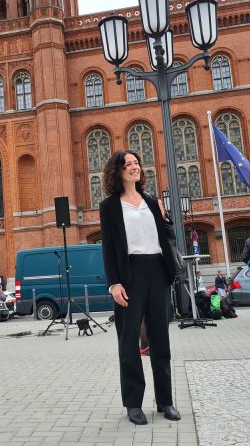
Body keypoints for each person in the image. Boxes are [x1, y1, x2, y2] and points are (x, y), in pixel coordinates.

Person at [99, 149, 181, 425]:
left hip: (157, 270)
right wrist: (114, 283)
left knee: (160, 339)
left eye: (136, 163)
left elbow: (166, 236)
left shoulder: (151, 200)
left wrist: (165, 216)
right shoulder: (110, 206)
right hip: (130, 274)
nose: (135, 167)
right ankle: (133, 403)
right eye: (128, 164)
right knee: (128, 340)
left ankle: (165, 401)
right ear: (118, 171)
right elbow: (109, 246)